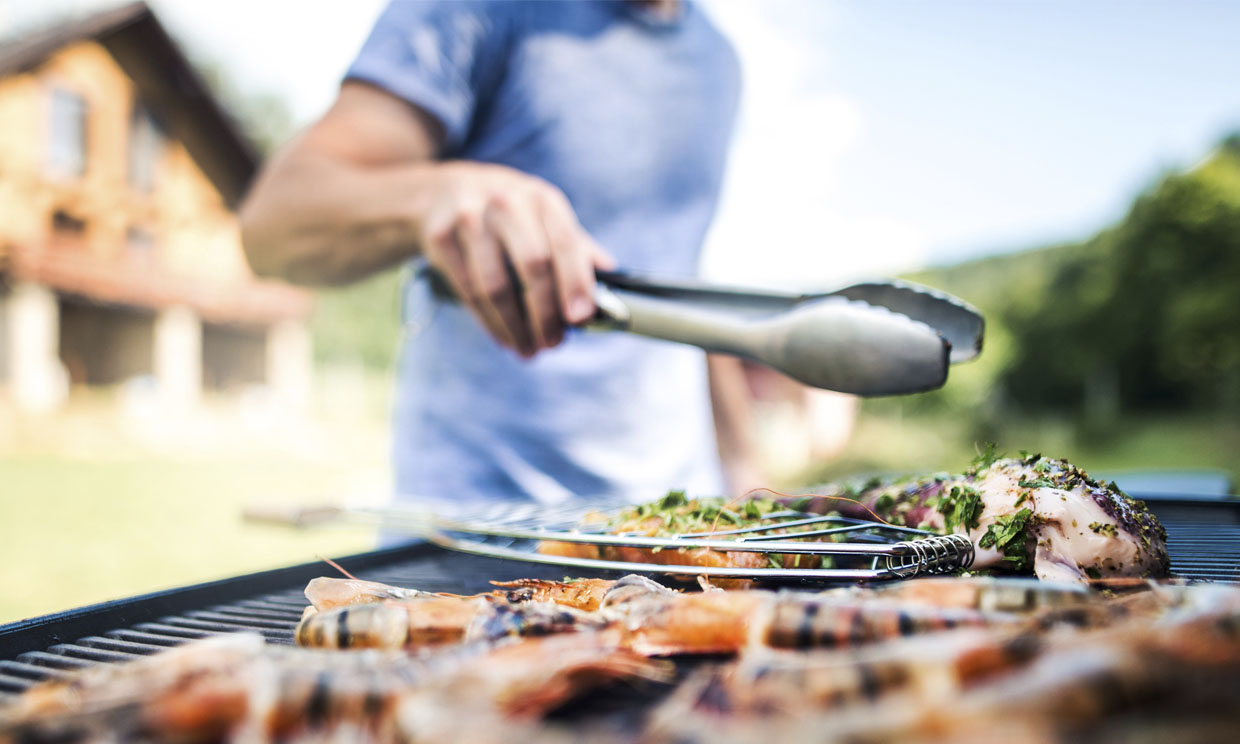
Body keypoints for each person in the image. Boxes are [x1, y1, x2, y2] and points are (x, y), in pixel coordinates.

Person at [240, 0, 761, 515]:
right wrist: (432, 197)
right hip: (476, 533)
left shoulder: (719, 61)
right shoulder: (471, 10)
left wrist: (744, 467)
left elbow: (680, 270)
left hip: (669, 526)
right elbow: (272, 225)